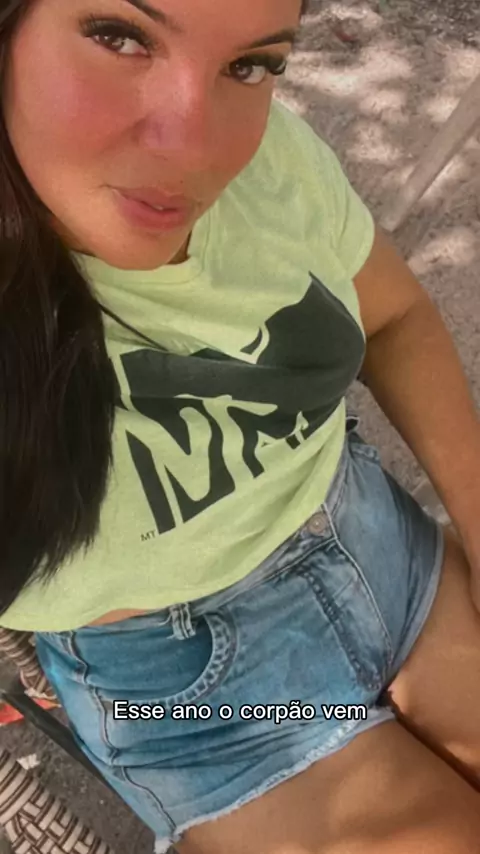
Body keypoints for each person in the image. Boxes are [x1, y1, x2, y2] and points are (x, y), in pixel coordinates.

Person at [1, 0, 480, 852]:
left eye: (250, 64)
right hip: (201, 703)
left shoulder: (271, 167)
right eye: (120, 36)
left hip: (380, 551)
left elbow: (393, 316)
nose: (195, 148)